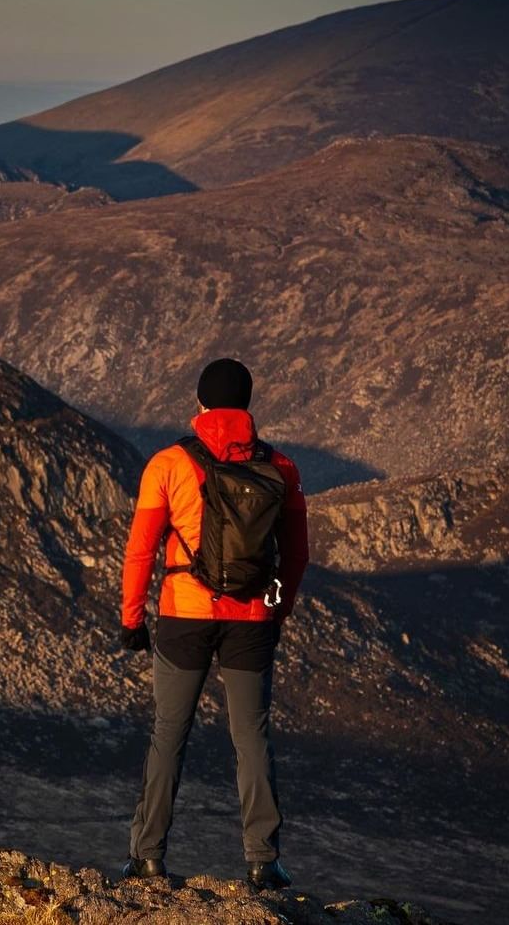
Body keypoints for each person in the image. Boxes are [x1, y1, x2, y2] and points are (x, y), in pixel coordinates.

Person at [120, 357, 309, 887]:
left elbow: (141, 551)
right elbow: (297, 555)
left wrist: (131, 617)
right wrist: (279, 608)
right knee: (252, 735)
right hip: (252, 618)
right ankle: (263, 861)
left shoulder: (169, 464)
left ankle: (148, 855)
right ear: (247, 406)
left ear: (201, 403)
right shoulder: (282, 468)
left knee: (168, 734)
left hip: (185, 613)